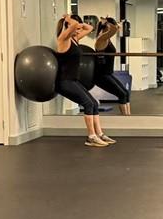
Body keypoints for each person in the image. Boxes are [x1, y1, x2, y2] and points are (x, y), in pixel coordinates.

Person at [54, 15, 114, 147]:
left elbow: (90, 28)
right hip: (65, 81)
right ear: (67, 27)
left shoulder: (74, 39)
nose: (79, 29)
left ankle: (99, 134)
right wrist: (68, 20)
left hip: (73, 80)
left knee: (94, 103)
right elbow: (75, 25)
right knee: (87, 103)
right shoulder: (63, 39)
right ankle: (91, 137)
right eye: (75, 27)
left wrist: (77, 24)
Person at [90, 18, 132, 116]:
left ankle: (129, 117)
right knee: (122, 94)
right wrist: (108, 23)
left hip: (108, 73)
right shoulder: (101, 39)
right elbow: (113, 30)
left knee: (125, 93)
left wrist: (108, 23)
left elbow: (113, 30)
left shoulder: (106, 39)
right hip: (101, 76)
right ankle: (125, 118)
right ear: (107, 27)